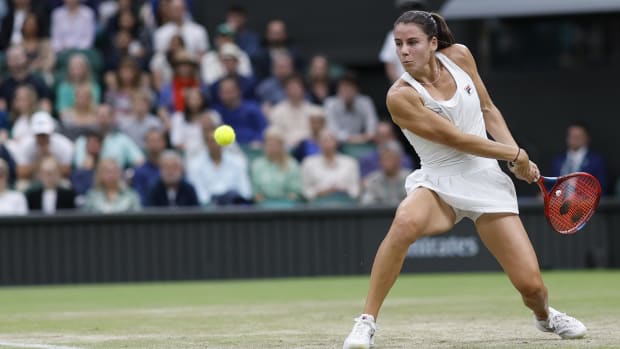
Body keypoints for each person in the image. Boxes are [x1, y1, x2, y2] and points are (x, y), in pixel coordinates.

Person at [342, 11, 587, 349]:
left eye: (412, 43)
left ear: (432, 43)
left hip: (486, 181)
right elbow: (456, 139)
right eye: (398, 44)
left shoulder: (459, 56)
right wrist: (515, 156)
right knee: (404, 222)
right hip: (438, 183)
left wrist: (514, 154)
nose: (403, 52)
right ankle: (366, 322)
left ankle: (545, 316)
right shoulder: (400, 96)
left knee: (532, 288)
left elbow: (488, 109)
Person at [301, 129, 360, 203]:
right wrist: (319, 192)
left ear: (336, 143)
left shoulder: (350, 162)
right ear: (318, 143)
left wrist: (344, 190)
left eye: (331, 140)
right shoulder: (308, 163)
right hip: (318, 205)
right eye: (324, 140)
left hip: (344, 203)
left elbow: (355, 189)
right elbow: (305, 191)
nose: (327, 144)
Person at [551, 122, 607, 195]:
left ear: (587, 138)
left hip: (586, 203)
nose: (575, 139)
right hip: (558, 204)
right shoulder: (557, 161)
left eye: (578, 136)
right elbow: (551, 186)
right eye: (572, 136)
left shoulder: (596, 161)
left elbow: (602, 188)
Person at [250, 127, 302, 205]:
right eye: (268, 143)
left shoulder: (292, 164)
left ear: (281, 145)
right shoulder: (257, 165)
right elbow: (255, 192)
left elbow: (294, 193)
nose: (270, 146)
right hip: (263, 207)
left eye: (274, 143)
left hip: (287, 206)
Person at [324, 72, 379, 144]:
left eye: (350, 87)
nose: (347, 91)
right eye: (344, 88)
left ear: (357, 90)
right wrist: (350, 138)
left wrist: (365, 137)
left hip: (363, 142)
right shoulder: (330, 103)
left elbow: (372, 128)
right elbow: (332, 130)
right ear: (338, 89)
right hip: (338, 144)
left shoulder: (365, 102)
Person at [359, 141, 409, 205]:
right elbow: (366, 203)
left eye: (389, 158)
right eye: (384, 158)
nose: (386, 162)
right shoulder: (372, 180)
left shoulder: (410, 178)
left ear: (398, 160)